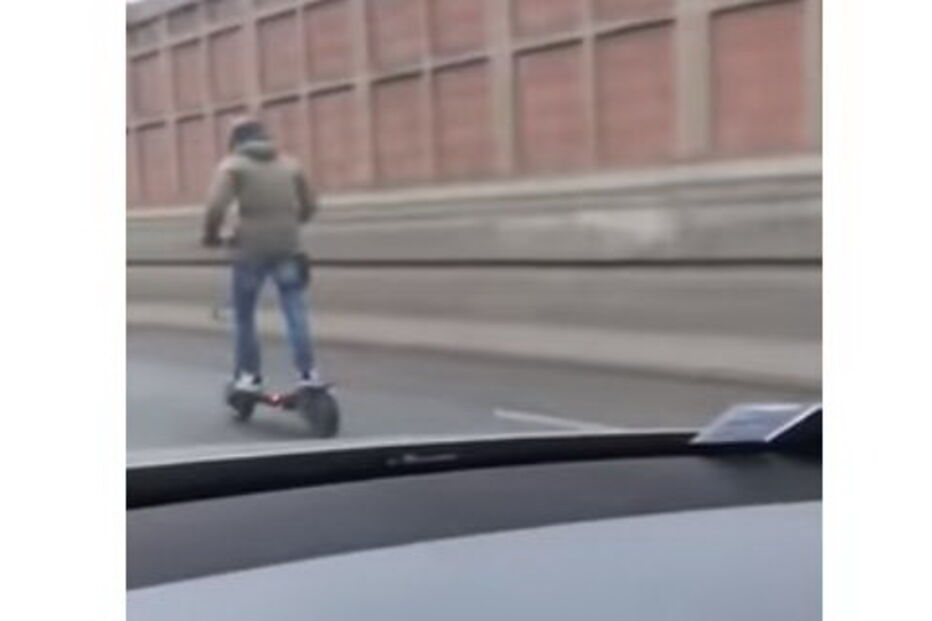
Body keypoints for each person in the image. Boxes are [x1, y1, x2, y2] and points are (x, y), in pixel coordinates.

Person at [201, 117, 324, 397]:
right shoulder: (291, 164)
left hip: (249, 251)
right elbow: (310, 205)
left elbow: (215, 206)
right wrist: (291, 226)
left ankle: (250, 376)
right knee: (296, 312)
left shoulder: (232, 166)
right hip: (289, 249)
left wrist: (211, 236)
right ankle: (308, 373)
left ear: (235, 141)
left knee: (244, 316)